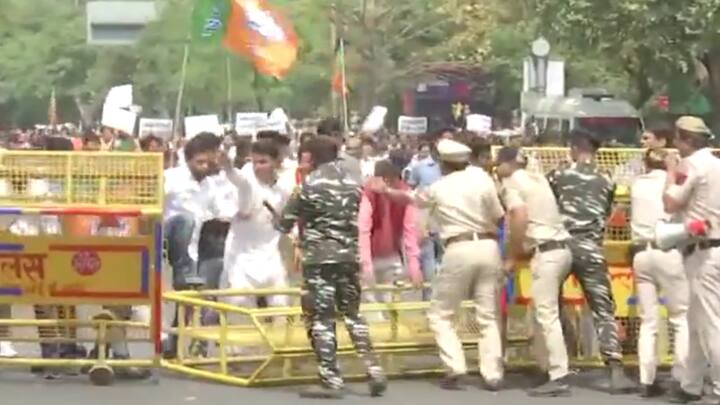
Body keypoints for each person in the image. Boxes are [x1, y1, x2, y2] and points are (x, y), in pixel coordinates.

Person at [370, 139, 506, 391]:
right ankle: (493, 373)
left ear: (443, 163)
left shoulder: (440, 187)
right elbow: (499, 215)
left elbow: (411, 198)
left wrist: (386, 192)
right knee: (487, 314)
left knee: (441, 313)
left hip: (459, 248)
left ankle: (455, 366)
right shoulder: (482, 179)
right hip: (488, 246)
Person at [276, 136, 387, 399]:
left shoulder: (309, 185)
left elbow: (285, 223)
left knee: (322, 318)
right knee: (353, 314)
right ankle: (374, 369)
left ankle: (330, 378)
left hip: (319, 260)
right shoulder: (352, 183)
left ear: (311, 157)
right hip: (348, 256)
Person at [547, 130, 636, 394]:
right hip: (592, 248)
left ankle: (557, 370)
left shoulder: (558, 175)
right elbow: (607, 212)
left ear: (574, 149)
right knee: (603, 309)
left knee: (549, 307)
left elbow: (548, 204)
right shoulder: (606, 180)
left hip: (561, 246)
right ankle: (615, 368)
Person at [495, 146, 573, 397]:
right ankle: (547, 366)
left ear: (508, 164)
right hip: (560, 249)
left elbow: (519, 217)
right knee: (541, 313)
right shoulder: (536, 178)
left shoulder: (511, 183)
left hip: (546, 252)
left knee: (545, 314)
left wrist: (512, 256)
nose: (496, 169)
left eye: (499, 164)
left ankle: (558, 374)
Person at [663, 116, 720, 404]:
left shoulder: (692, 164)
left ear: (686, 139)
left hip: (703, 251)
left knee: (710, 323)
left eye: (677, 137)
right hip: (712, 246)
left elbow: (671, 202)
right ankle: (691, 385)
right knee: (698, 321)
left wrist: (671, 172)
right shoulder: (716, 163)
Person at [629, 148, 688, 398]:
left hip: (642, 252)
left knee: (649, 321)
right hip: (669, 251)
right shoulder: (672, 184)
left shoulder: (636, 184)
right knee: (680, 317)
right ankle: (682, 377)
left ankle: (646, 378)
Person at [162, 133, 222, 356]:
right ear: (187, 159)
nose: (204, 167)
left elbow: (218, 211)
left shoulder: (211, 184)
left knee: (187, 298)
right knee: (185, 220)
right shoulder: (171, 178)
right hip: (169, 238)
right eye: (199, 162)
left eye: (208, 162)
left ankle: (175, 341)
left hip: (194, 246)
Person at [219, 139, 292, 310]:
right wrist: (228, 166)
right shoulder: (248, 185)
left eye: (263, 162)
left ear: (277, 162)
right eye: (254, 162)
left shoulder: (284, 190)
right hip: (241, 260)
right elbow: (239, 180)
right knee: (241, 312)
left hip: (271, 257)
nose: (257, 167)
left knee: (281, 307)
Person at [359, 159, 422, 306]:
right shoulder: (368, 194)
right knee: (379, 303)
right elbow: (363, 230)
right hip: (376, 256)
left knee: (385, 303)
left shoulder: (402, 194)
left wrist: (413, 265)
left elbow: (409, 231)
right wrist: (366, 264)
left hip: (388, 257)